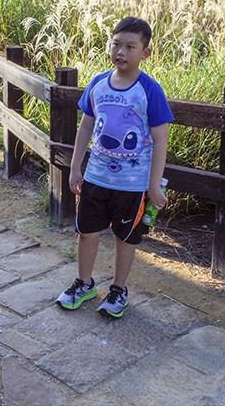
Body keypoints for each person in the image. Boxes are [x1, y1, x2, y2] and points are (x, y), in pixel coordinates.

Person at [56, 17, 173, 318]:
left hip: (133, 184)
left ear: (145, 53)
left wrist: (154, 184)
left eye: (130, 47)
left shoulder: (150, 90)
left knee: (126, 237)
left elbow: (161, 140)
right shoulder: (97, 84)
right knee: (87, 233)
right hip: (96, 176)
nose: (121, 52)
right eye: (116, 44)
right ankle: (84, 283)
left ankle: (118, 288)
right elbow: (85, 129)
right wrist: (74, 168)